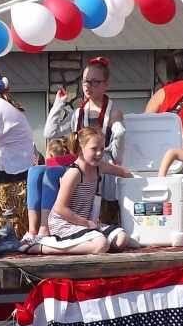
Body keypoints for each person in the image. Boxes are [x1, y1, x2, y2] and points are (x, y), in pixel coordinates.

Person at [26, 127, 133, 254]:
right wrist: (86, 223)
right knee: (101, 245)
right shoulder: (74, 173)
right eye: (94, 149)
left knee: (122, 239)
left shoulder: (99, 167)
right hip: (64, 223)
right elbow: (60, 208)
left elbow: (123, 172)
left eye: (102, 149)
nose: (99, 153)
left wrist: (137, 183)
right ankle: (43, 247)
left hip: (84, 222)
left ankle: (86, 242)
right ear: (80, 148)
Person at [44, 55, 127, 197]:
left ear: (106, 84)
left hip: (103, 171)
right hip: (81, 170)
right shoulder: (78, 113)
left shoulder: (113, 112)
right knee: (40, 173)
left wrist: (117, 129)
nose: (88, 86)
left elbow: (119, 142)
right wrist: (59, 104)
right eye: (85, 81)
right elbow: (49, 133)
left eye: (94, 82)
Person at [25, 138, 76, 241]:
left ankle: (44, 229)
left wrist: (51, 162)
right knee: (34, 171)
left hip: (71, 168)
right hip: (66, 163)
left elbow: (51, 162)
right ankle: (32, 231)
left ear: (51, 155)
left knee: (51, 172)